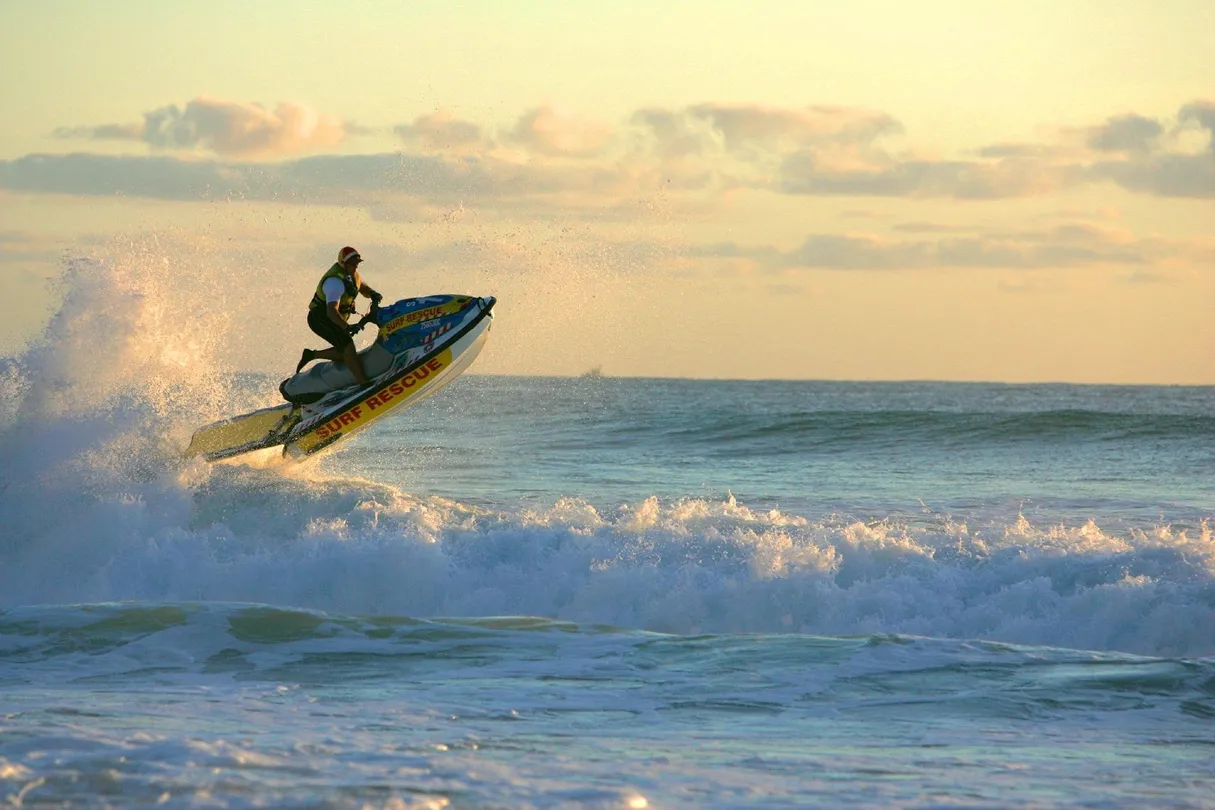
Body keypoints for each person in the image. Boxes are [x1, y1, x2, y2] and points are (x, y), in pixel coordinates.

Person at [296, 246, 382, 386]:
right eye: (352, 264)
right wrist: (346, 326)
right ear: (343, 263)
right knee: (348, 346)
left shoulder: (353, 274)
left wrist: (372, 294)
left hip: (333, 319)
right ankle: (363, 383)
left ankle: (312, 355)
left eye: (357, 263)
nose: (355, 266)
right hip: (320, 318)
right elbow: (331, 311)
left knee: (346, 354)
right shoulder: (334, 282)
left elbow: (361, 286)